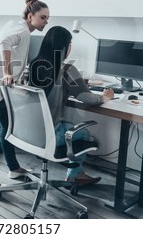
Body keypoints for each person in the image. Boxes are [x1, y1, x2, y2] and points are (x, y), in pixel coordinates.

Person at [0, 0, 50, 190]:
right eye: (43, 17)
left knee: (8, 129)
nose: (46, 22)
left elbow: (11, 50)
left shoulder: (17, 25)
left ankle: (13, 168)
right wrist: (7, 72)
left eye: (48, 18)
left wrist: (16, 73)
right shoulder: (22, 31)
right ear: (30, 16)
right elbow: (3, 44)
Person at [29, 25, 114, 185]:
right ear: (64, 47)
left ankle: (75, 172)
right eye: (70, 44)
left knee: (67, 125)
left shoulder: (35, 65)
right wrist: (105, 96)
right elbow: (87, 98)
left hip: (30, 132)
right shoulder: (67, 69)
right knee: (85, 133)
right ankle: (74, 174)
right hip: (49, 135)